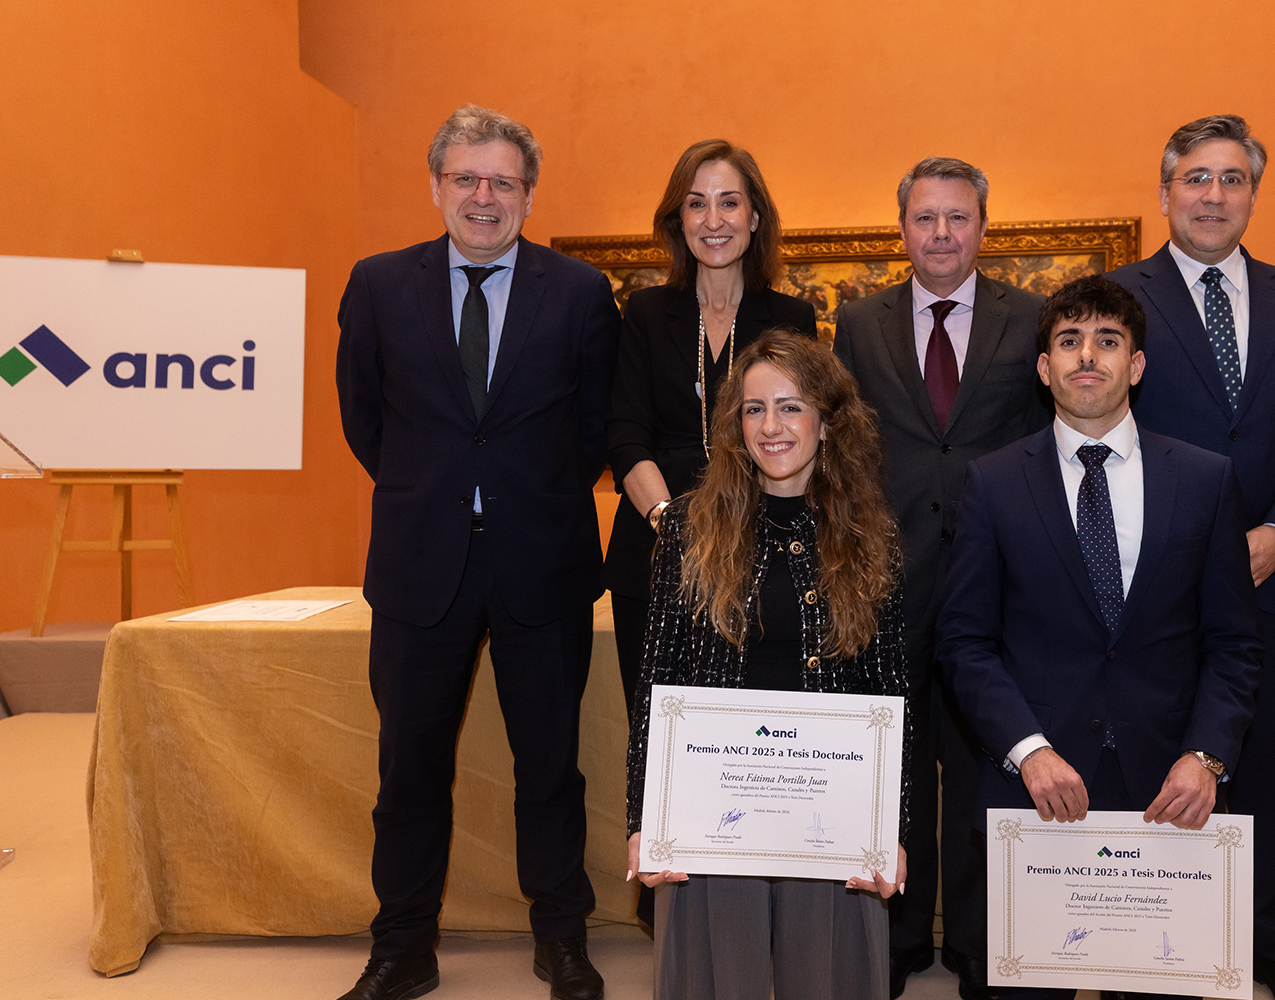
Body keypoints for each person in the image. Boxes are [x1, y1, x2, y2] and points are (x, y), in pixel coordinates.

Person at [334, 104, 619, 1000]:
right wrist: (440, 491)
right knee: (408, 768)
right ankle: (402, 946)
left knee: (549, 766)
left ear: (529, 195)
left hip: (543, 560)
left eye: (503, 181)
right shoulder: (378, 285)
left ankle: (561, 939)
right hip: (422, 564)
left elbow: (595, 427)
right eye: (467, 178)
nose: (484, 197)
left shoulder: (577, 291)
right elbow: (365, 421)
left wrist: (521, 494)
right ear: (436, 186)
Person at [937, 275, 1262, 1000]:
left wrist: (1205, 758)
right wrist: (1028, 751)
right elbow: (964, 642)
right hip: (1036, 785)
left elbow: (1234, 643)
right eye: (1069, 340)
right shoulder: (989, 483)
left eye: (1109, 340)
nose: (1089, 355)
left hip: (1169, 787)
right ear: (1045, 367)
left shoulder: (1207, 481)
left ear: (1136, 366)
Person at [1104, 114, 1275, 1000]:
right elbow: (1094, 433)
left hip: (1274, 586)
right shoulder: (1116, 297)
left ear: (1253, 191)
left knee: (1268, 773)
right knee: (1161, 773)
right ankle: (1157, 945)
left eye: (1232, 179)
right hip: (1156, 589)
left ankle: (1272, 948)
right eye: (1196, 178)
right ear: (1165, 190)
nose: (1214, 195)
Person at [622, 331, 911, 1000]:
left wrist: (888, 829)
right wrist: (646, 821)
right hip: (710, 817)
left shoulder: (872, 534)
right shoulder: (691, 528)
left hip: (832, 817)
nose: (771, 427)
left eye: (791, 406)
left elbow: (891, 693)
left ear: (828, 421)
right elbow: (658, 684)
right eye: (754, 409)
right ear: (734, 424)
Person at [831, 156, 1047, 1000]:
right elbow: (847, 448)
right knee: (897, 763)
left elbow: (1040, 443)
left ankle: (977, 940)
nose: (943, 234)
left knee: (988, 762)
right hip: (887, 576)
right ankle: (894, 932)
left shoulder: (1030, 317)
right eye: (926, 219)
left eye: (959, 218)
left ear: (984, 227)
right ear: (903, 229)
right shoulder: (857, 322)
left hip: (996, 579)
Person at [605, 140, 817, 923]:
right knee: (664, 731)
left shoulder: (792, 318)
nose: (713, 219)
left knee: (749, 739)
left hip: (765, 558)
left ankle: (758, 900)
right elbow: (624, 435)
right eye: (696, 203)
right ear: (677, 220)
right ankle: (673, 910)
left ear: (755, 216)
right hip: (659, 553)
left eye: (729, 202)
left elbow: (797, 432)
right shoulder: (646, 313)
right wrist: (673, 524)